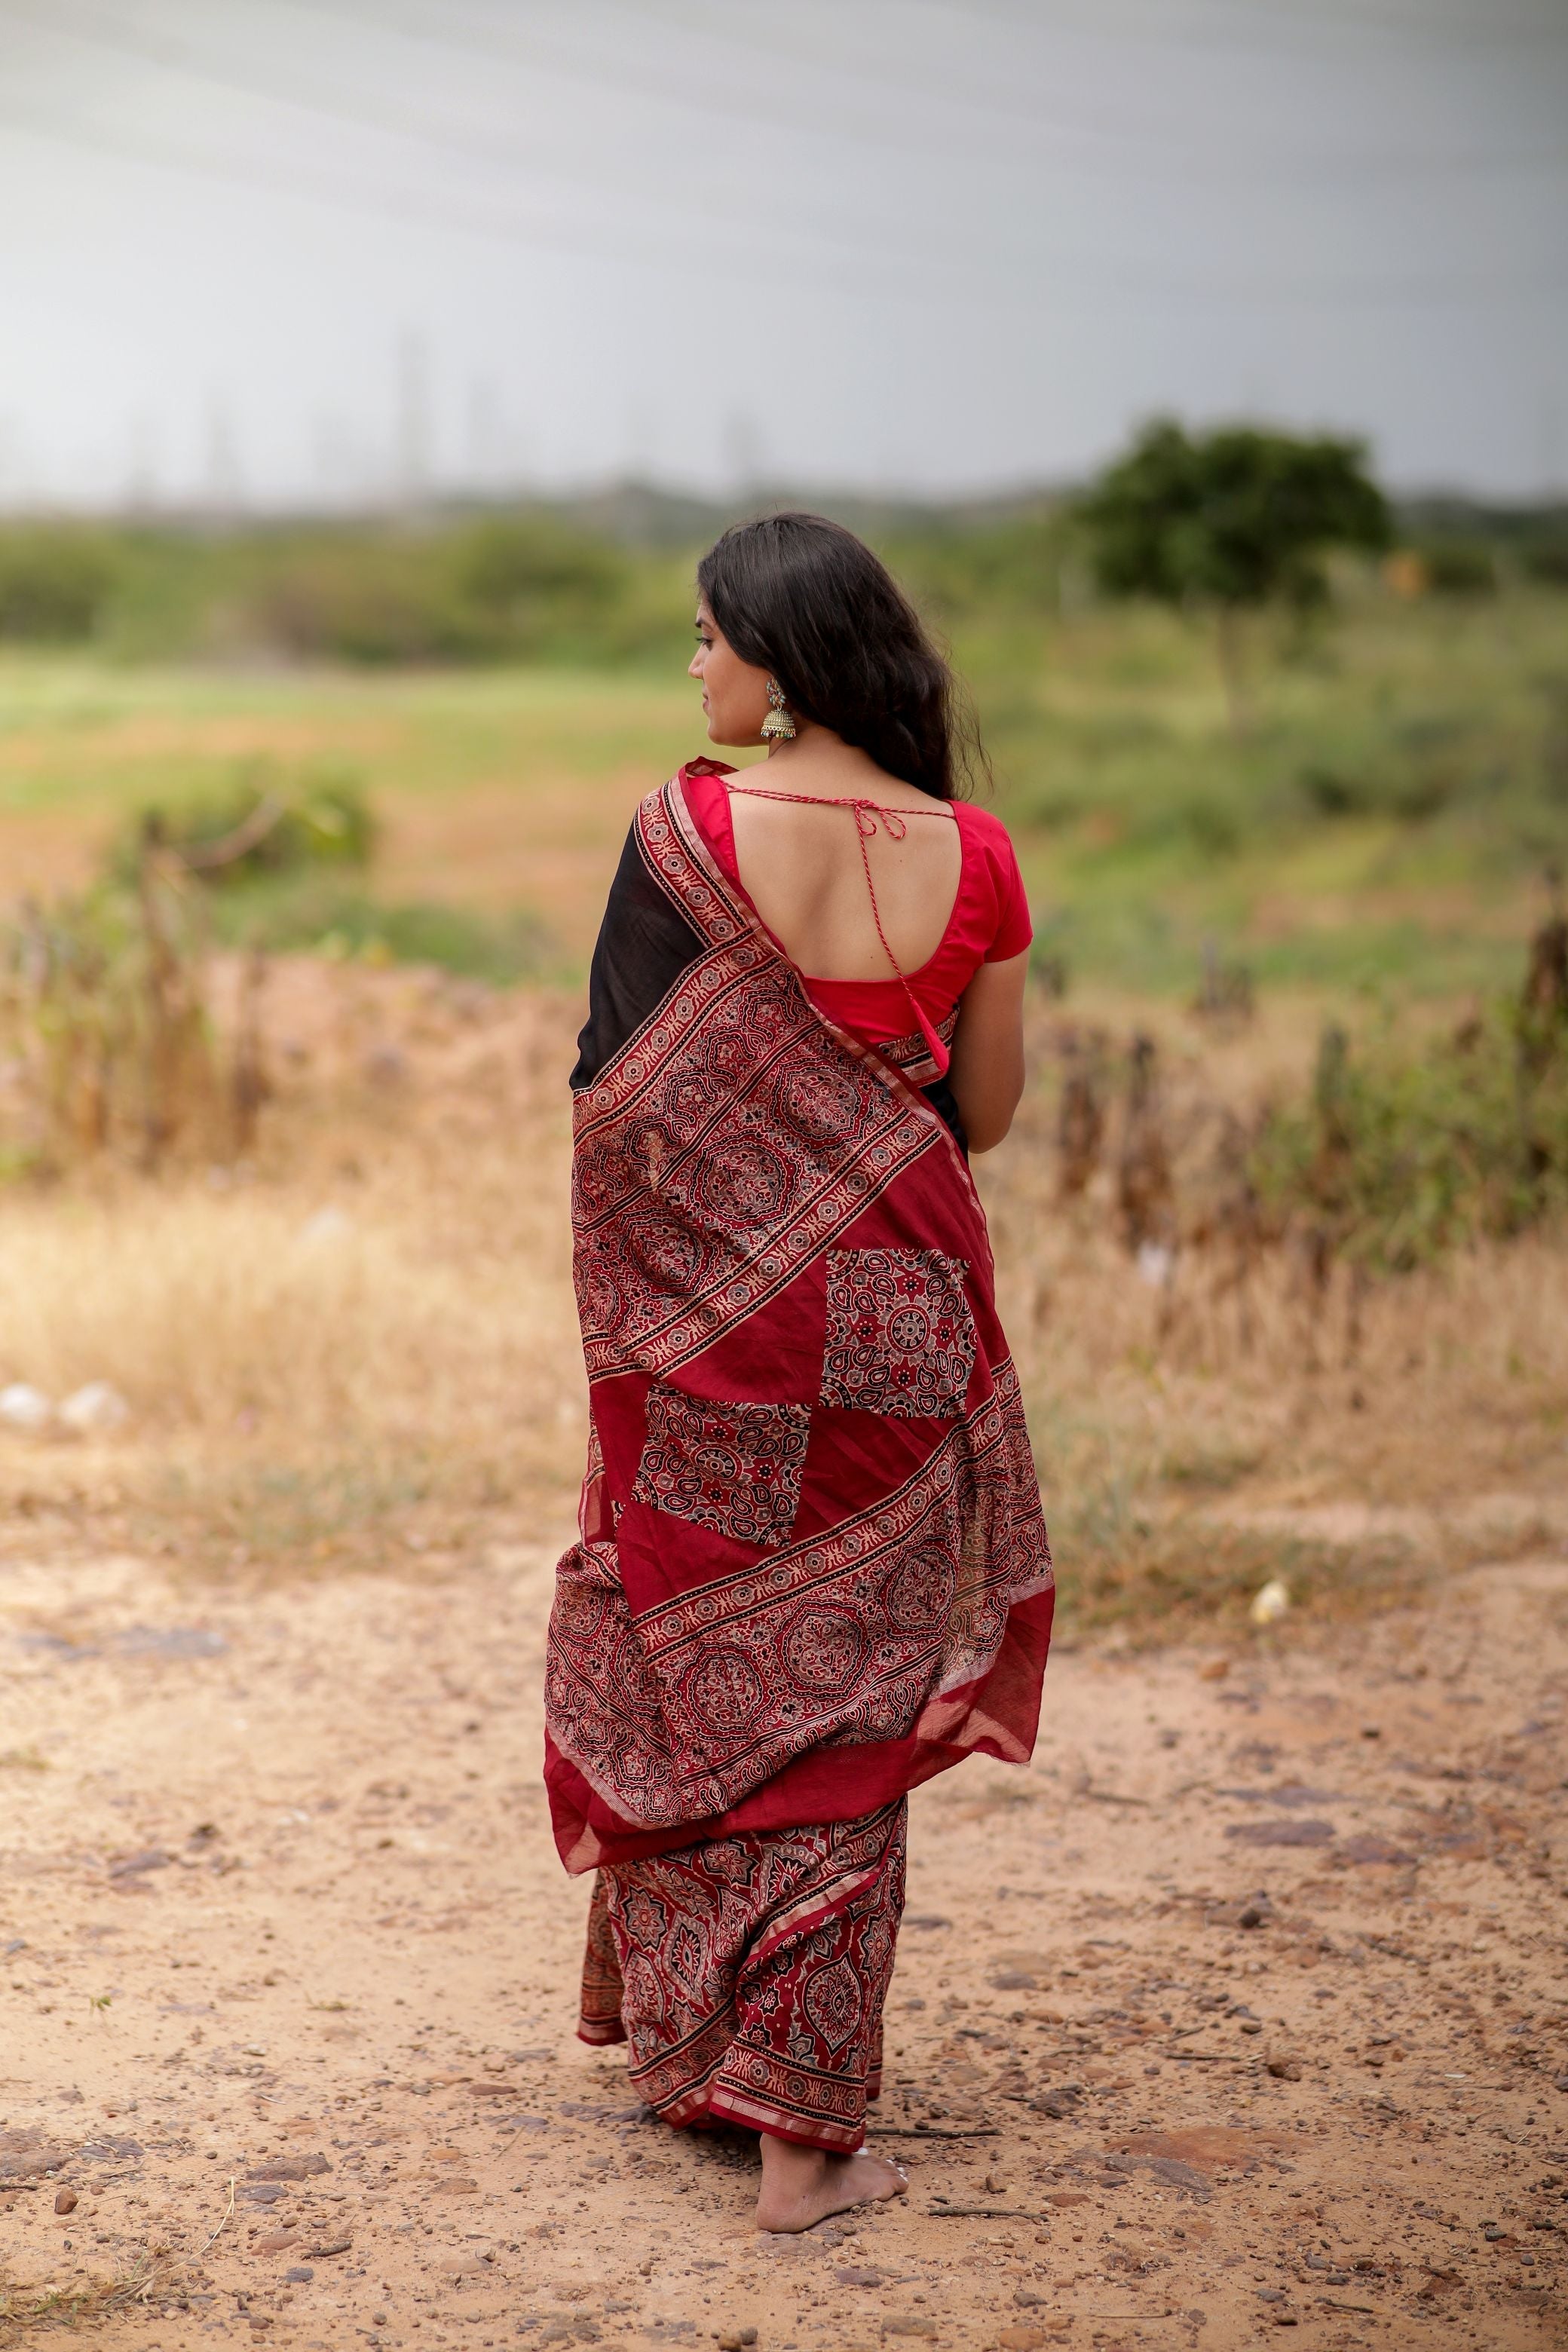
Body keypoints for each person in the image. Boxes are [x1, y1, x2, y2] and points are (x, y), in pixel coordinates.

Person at [546, 512, 1053, 2234]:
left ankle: (724, 2063)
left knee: (702, 1654)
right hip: (898, 1314)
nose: (690, 665)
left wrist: (650, 1315)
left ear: (772, 656)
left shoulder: (682, 830)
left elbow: (616, 1104)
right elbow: (976, 1119)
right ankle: (791, 2120)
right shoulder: (970, 852)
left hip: (719, 1344)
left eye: (703, 635)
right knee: (846, 1690)